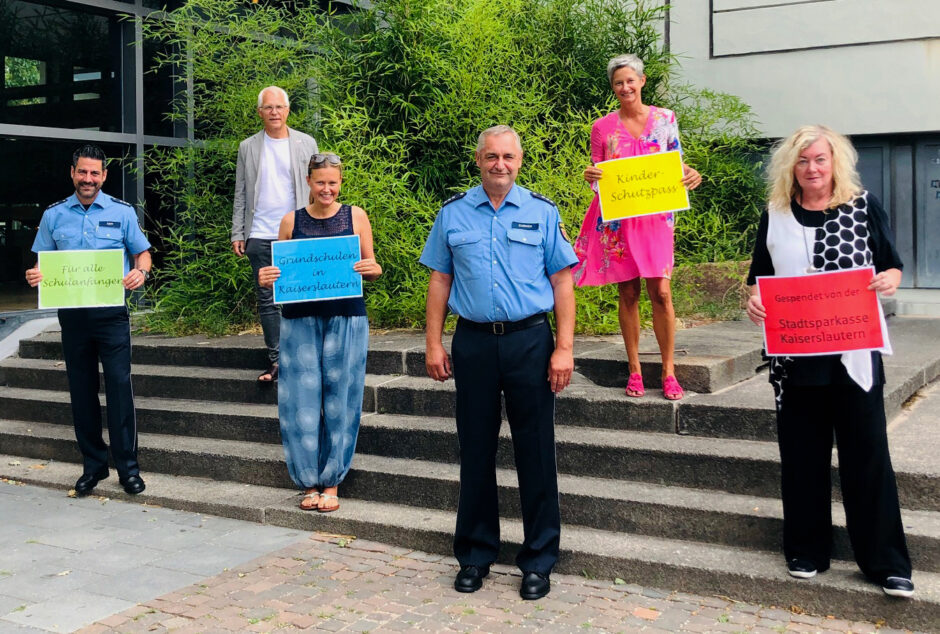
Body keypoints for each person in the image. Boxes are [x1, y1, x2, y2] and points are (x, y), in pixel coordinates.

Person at [745, 125, 913, 598]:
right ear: (790, 168)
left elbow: (892, 263)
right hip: (795, 359)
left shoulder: (862, 207)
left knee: (868, 458)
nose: (812, 168)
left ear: (834, 161)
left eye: (819, 159)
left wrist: (889, 281)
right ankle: (806, 550)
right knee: (802, 459)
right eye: (802, 161)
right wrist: (754, 300)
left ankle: (886, 563)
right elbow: (757, 278)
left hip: (853, 356)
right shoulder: (775, 214)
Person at [421, 125, 578, 601]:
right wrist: (433, 343)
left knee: (535, 451)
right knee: (475, 450)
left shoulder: (542, 211)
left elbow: (563, 283)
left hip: (529, 342)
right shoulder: (452, 214)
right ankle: (474, 553)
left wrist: (564, 347)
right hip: (472, 344)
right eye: (492, 156)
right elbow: (439, 282)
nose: (500, 164)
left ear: (520, 160)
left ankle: (539, 559)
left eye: (508, 156)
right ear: (478, 159)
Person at [572, 54, 702, 400]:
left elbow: (674, 160)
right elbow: (600, 179)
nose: (625, 87)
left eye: (630, 80)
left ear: (642, 81)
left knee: (661, 292)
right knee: (628, 292)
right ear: (613, 87)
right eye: (618, 82)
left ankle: (668, 370)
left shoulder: (664, 119)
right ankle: (634, 370)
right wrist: (591, 176)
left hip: (656, 217)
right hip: (620, 219)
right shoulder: (601, 128)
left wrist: (691, 174)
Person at [25, 144, 152, 496]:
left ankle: (128, 470)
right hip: (73, 316)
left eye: (95, 173)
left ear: (104, 176)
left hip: (111, 316)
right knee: (81, 392)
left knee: (118, 389)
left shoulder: (121, 212)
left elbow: (142, 253)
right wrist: (36, 275)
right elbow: (42, 262)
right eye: (83, 172)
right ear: (72, 173)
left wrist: (140, 272)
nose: (88, 179)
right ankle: (93, 467)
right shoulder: (54, 215)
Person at [258, 153, 381, 513]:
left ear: (340, 182)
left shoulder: (355, 215)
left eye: (333, 182)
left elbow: (373, 267)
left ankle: (332, 482)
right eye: (320, 182)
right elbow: (277, 272)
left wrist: (371, 268)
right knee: (300, 402)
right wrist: (267, 277)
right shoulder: (289, 221)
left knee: (341, 399)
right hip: (299, 320)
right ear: (308, 182)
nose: (327, 188)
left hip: (347, 317)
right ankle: (308, 480)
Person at [232, 85, 319, 382]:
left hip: (297, 232)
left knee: (301, 296)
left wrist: (318, 227)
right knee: (268, 300)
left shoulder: (306, 143)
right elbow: (241, 191)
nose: (274, 112)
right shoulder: (248, 147)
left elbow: (319, 186)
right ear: (259, 112)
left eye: (279, 107)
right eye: (268, 107)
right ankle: (277, 361)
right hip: (260, 233)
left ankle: (305, 357)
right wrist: (238, 232)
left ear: (288, 110)